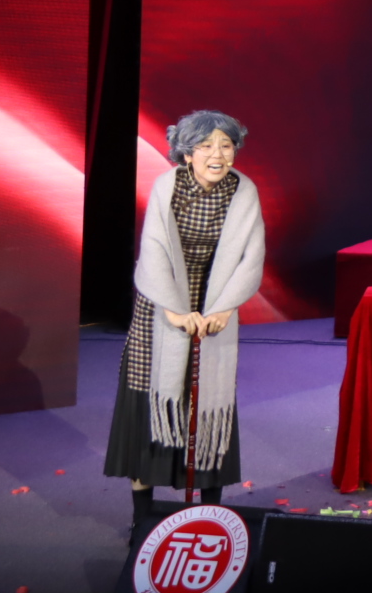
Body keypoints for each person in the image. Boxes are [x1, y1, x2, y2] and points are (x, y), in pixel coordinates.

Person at [105, 110, 266, 525]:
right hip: (163, 305)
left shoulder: (243, 191)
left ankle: (208, 514)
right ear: (187, 153)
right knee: (151, 397)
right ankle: (143, 522)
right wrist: (175, 311)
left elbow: (251, 257)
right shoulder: (167, 187)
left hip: (214, 305)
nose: (218, 154)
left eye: (226, 145)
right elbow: (154, 250)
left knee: (208, 400)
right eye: (206, 146)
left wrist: (225, 307)